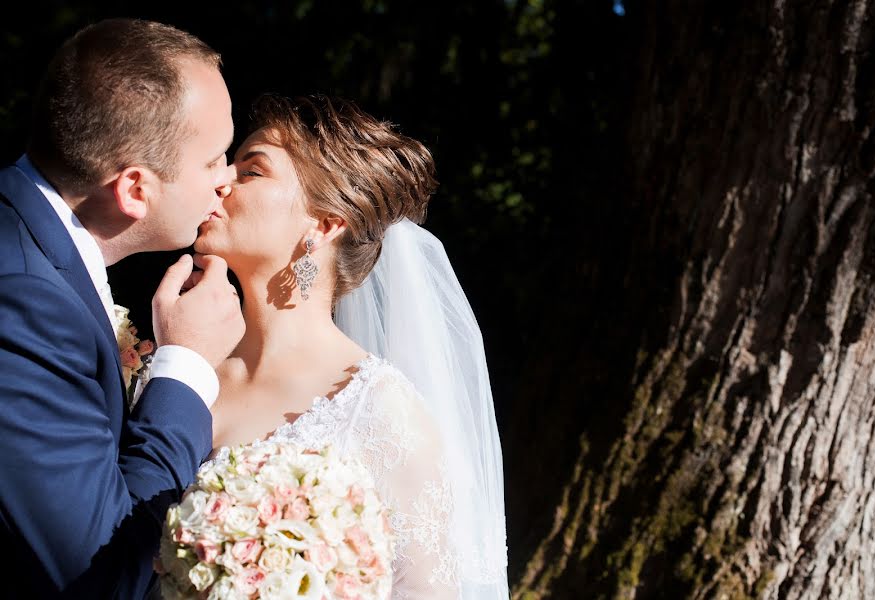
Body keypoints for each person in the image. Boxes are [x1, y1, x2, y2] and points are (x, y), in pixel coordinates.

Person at [199, 94, 509, 598]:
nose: (220, 180)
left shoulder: (380, 410)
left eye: (252, 170)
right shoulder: (177, 370)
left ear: (322, 225)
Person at [0, 19, 245, 598]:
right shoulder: (23, 301)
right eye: (214, 160)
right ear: (135, 189)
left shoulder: (31, 248)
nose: (228, 179)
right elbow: (103, 572)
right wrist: (185, 364)